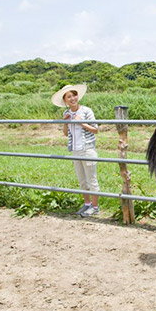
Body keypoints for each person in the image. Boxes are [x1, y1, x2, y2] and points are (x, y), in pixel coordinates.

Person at [51, 84, 100, 217]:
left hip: (87, 149)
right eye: (69, 97)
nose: (73, 98)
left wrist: (81, 123)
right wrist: (65, 122)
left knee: (92, 180)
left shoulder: (86, 111)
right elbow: (66, 134)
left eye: (74, 95)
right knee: (82, 180)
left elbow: (96, 129)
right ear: (65, 100)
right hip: (75, 150)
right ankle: (87, 204)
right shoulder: (66, 113)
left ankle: (95, 207)